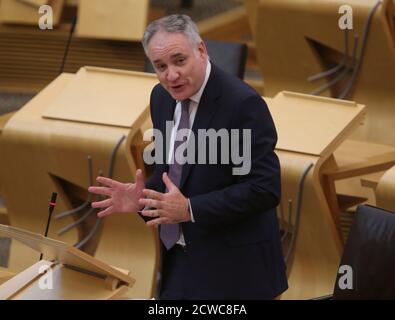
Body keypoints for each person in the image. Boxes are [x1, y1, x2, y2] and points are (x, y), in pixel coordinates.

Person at [88, 14, 288, 299]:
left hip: (236, 272)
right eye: (160, 66)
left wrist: (191, 208)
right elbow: (171, 175)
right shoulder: (161, 98)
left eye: (179, 61)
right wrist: (143, 199)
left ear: (201, 51)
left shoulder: (242, 104)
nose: (171, 75)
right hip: (180, 261)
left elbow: (263, 189)